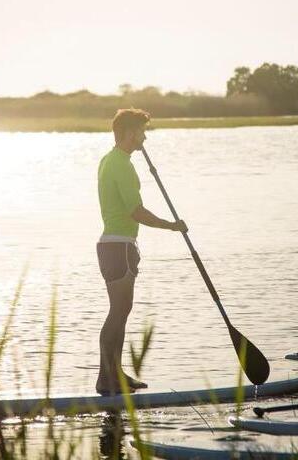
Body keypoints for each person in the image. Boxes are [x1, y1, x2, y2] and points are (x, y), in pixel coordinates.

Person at [95, 108, 187, 395]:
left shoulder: (109, 160)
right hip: (118, 246)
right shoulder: (121, 164)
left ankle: (113, 375)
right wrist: (171, 226)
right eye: (142, 131)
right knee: (119, 311)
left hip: (115, 245)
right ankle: (107, 378)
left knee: (120, 311)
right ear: (129, 133)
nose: (145, 137)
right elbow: (135, 212)